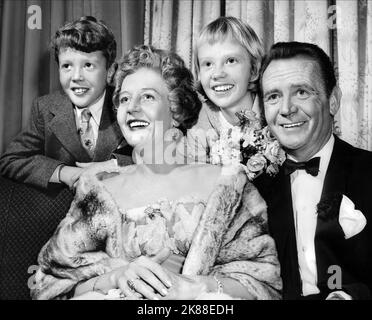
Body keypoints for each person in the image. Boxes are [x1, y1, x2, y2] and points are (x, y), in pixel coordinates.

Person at [30, 45, 282, 300]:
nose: (132, 107)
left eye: (148, 97)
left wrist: (193, 287)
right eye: (125, 99)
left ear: (175, 110)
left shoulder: (227, 185)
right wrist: (115, 277)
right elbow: (50, 282)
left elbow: (263, 283)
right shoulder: (98, 188)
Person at [256, 41, 372, 300]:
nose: (286, 109)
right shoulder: (257, 190)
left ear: (332, 101)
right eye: (273, 96)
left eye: (301, 92)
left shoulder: (367, 172)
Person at [0, 16, 132, 190]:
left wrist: (113, 165)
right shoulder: (45, 108)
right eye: (67, 66)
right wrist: (65, 172)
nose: (76, 77)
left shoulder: (127, 104)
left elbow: (158, 156)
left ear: (109, 70)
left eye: (88, 65)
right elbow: (11, 159)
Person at [185, 16, 264, 163]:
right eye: (208, 63)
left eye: (231, 61)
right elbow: (194, 178)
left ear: (253, 70)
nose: (217, 73)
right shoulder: (199, 124)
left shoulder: (271, 113)